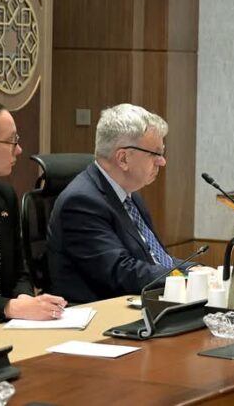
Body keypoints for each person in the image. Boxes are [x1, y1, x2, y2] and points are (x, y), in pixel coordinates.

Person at [48, 104, 198, 303]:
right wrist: (186, 280)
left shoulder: (130, 196)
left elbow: (155, 258)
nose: (162, 162)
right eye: (155, 153)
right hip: (102, 312)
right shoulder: (81, 203)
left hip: (141, 301)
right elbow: (121, 271)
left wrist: (195, 270)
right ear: (123, 158)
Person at [0, 98, 67, 324]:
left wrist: (26, 300)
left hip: (5, 324)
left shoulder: (4, 196)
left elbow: (20, 271)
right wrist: (10, 307)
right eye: (11, 141)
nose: (19, 150)